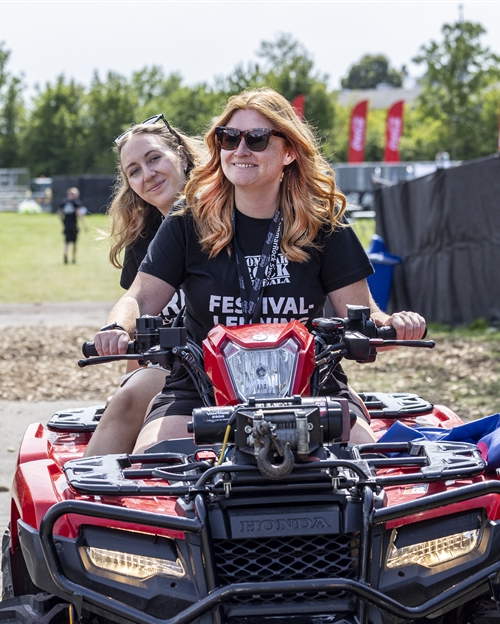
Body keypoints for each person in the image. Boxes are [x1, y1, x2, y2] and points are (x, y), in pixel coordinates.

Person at [93, 88, 425, 453]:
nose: (240, 149)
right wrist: (116, 327)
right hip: (200, 388)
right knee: (156, 468)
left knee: (363, 467)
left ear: (289, 151)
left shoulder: (324, 224)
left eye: (257, 138)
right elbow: (139, 298)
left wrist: (396, 326)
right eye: (229, 138)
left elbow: (365, 317)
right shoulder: (186, 221)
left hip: (312, 387)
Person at [83, 115, 203, 457]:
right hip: (179, 367)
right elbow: (141, 327)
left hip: (241, 361)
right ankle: (90, 506)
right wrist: (128, 382)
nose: (146, 175)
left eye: (153, 159)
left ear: (180, 154)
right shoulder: (143, 240)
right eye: (133, 170)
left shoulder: (229, 215)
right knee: (125, 401)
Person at [58, 187, 87, 264]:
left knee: (67, 241)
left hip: (66, 225)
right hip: (74, 224)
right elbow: (79, 214)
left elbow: (59, 213)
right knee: (74, 242)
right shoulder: (76, 202)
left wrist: (63, 221)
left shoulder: (63, 202)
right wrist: (84, 225)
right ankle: (73, 258)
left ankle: (65, 253)